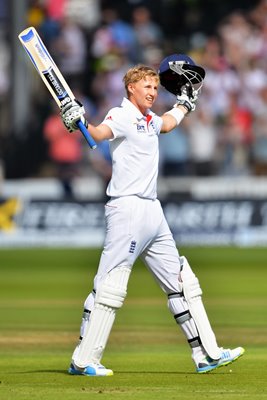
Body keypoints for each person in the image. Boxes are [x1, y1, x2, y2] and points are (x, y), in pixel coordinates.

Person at [60, 54, 245, 376]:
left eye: (156, 86)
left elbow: (170, 122)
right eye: (147, 85)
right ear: (131, 87)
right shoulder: (120, 114)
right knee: (110, 286)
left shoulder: (149, 120)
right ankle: (85, 358)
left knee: (181, 282)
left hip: (152, 210)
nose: (153, 91)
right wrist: (78, 121)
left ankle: (206, 354)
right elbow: (98, 133)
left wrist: (186, 103)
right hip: (127, 208)